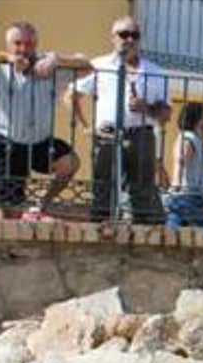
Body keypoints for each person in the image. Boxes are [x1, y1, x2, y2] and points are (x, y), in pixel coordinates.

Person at [0, 21, 92, 220]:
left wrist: (57, 59)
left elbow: (86, 66)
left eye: (29, 44)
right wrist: (6, 57)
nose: (23, 49)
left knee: (70, 163)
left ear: (36, 44)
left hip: (40, 143)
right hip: (6, 143)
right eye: (18, 43)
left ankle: (39, 205)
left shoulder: (50, 66)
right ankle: (2, 242)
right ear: (9, 45)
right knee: (7, 209)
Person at [70, 16, 171, 224]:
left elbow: (166, 114)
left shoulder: (156, 72)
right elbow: (71, 96)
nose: (130, 39)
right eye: (124, 34)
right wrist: (87, 128)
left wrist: (148, 108)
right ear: (112, 38)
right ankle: (99, 235)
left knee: (142, 190)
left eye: (135, 35)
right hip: (107, 134)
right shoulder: (98, 65)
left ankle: (142, 239)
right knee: (103, 188)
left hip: (141, 135)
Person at [163, 102, 203, 230]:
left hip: (193, 197)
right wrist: (176, 187)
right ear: (196, 120)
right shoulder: (189, 137)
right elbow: (181, 160)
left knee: (174, 232)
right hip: (187, 196)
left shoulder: (196, 140)